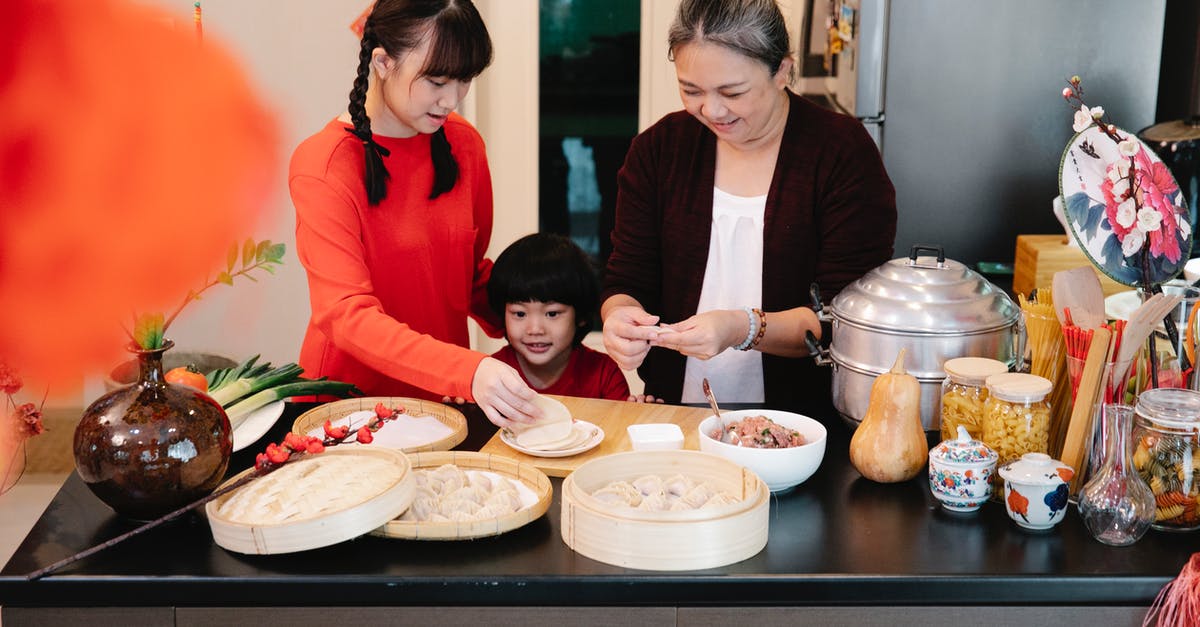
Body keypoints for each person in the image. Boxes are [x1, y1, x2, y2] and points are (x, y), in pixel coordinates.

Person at [601, 0, 897, 412]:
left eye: (732, 92)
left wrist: (742, 327)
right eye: (691, 90)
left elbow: (844, 317)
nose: (711, 109)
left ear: (782, 71)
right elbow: (627, 277)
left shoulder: (841, 153)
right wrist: (620, 317)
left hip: (804, 422)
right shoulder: (659, 150)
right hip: (675, 410)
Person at [289, 0, 541, 428]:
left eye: (464, 81)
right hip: (347, 410)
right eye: (437, 81)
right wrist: (470, 370)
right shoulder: (324, 165)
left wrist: (545, 316)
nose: (452, 99)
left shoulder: (464, 144)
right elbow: (346, 315)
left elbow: (467, 272)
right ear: (383, 62)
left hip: (443, 403)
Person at [486, 233, 630, 401]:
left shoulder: (604, 375)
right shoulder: (491, 374)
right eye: (520, 314)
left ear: (581, 315)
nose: (535, 329)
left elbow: (622, 425)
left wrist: (642, 412)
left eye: (552, 314)